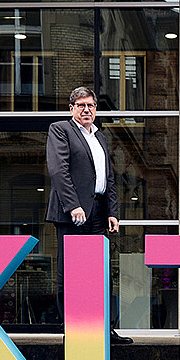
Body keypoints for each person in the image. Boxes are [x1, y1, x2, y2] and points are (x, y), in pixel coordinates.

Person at [46, 86, 131, 344]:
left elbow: (108, 177)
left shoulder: (99, 137)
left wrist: (112, 211)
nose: (86, 110)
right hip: (72, 214)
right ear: (71, 108)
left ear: (96, 109)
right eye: (81, 105)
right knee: (69, 273)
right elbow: (59, 170)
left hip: (97, 213)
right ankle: (72, 328)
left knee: (100, 273)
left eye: (91, 105)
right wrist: (73, 205)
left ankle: (105, 329)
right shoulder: (61, 130)